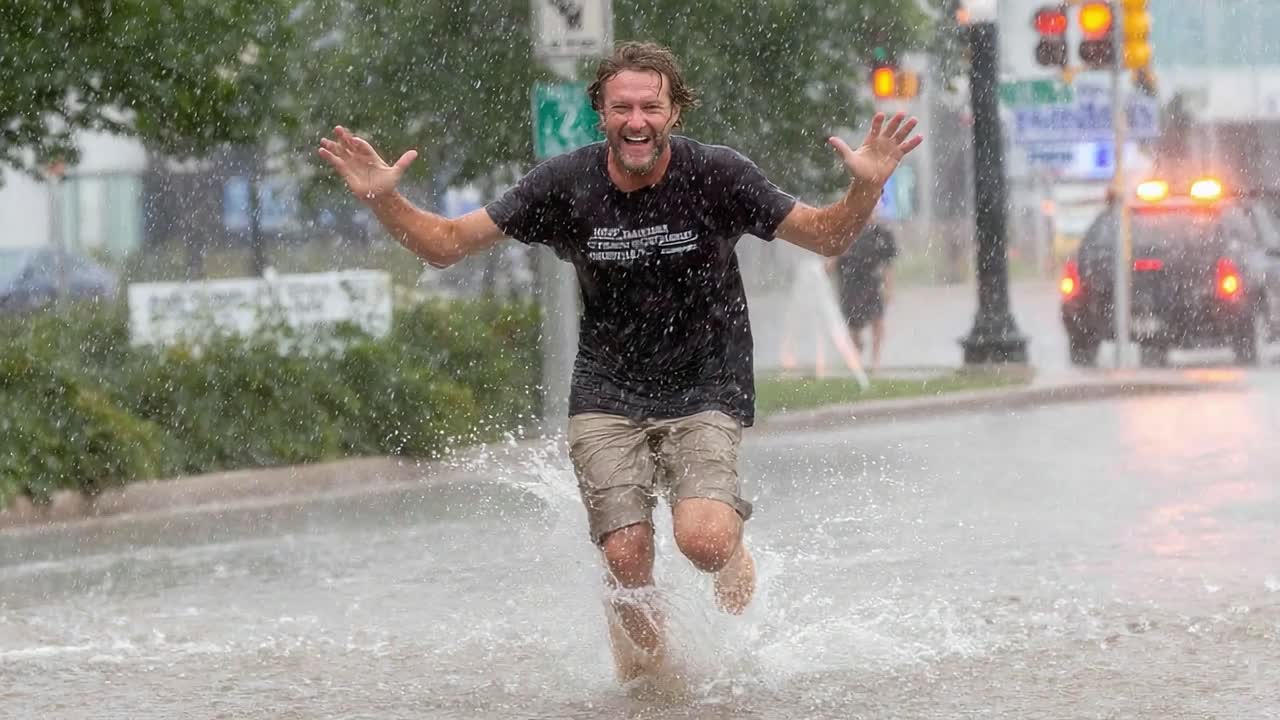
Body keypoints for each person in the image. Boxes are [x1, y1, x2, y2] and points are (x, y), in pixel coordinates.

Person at [317, 41, 922, 682]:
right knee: (627, 554)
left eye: (651, 107)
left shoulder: (719, 176)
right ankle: (651, 685)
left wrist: (865, 186)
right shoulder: (564, 185)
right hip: (607, 389)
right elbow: (446, 245)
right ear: (601, 114)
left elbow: (826, 234)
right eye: (622, 107)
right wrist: (383, 198)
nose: (637, 121)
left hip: (706, 381)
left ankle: (735, 558)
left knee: (704, 540)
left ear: (674, 112)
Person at [831, 220, 898, 371]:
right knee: (854, 327)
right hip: (850, 283)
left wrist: (889, 289)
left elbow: (888, 264)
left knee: (877, 321)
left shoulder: (880, 233)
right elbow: (832, 261)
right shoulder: (845, 229)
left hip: (872, 281)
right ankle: (857, 351)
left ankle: (875, 362)